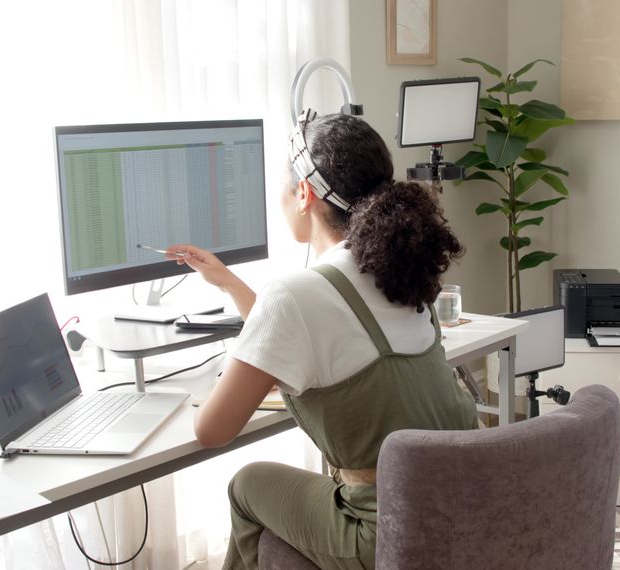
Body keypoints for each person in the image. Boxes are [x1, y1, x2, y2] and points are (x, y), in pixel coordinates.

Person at [165, 111, 477, 570]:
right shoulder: (403, 269)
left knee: (246, 484)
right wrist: (231, 285)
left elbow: (211, 431)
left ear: (305, 193)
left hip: (389, 534)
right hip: (466, 508)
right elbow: (315, 329)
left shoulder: (295, 296)